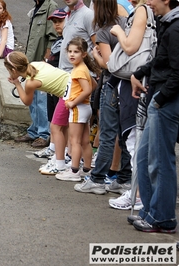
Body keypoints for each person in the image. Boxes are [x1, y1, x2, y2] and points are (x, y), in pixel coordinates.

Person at [75, 0, 136, 209]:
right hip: (129, 86)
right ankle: (123, 178)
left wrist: (96, 57)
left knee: (108, 133)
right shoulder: (125, 22)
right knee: (126, 133)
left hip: (112, 84)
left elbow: (110, 65)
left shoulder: (103, 30)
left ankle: (97, 179)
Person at [127, 0, 179, 233]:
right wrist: (140, 72)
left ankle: (163, 218)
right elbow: (162, 59)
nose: (148, 2)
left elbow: (177, 71)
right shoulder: (166, 23)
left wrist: (160, 98)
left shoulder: (175, 27)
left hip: (165, 101)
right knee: (144, 157)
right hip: (160, 98)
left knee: (160, 160)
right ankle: (151, 211)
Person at [54, 37, 100, 181]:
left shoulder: (79, 71)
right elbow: (93, 85)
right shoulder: (82, 69)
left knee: (75, 140)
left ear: (84, 54)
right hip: (85, 108)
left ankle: (74, 171)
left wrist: (73, 102)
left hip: (78, 108)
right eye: (70, 51)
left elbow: (87, 90)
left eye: (76, 52)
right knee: (85, 140)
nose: (72, 55)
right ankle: (86, 168)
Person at [14, 0, 58, 149]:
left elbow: (52, 37)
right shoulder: (37, 7)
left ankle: (43, 134)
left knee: (41, 101)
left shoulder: (50, 6)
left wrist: (47, 60)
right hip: (31, 63)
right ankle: (34, 130)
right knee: (33, 101)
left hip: (41, 62)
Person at [35, 8, 67, 161]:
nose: (56, 25)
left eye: (60, 21)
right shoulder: (57, 41)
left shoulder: (68, 40)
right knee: (52, 116)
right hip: (51, 83)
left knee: (59, 122)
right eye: (54, 22)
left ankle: (62, 152)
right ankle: (52, 147)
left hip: (60, 83)